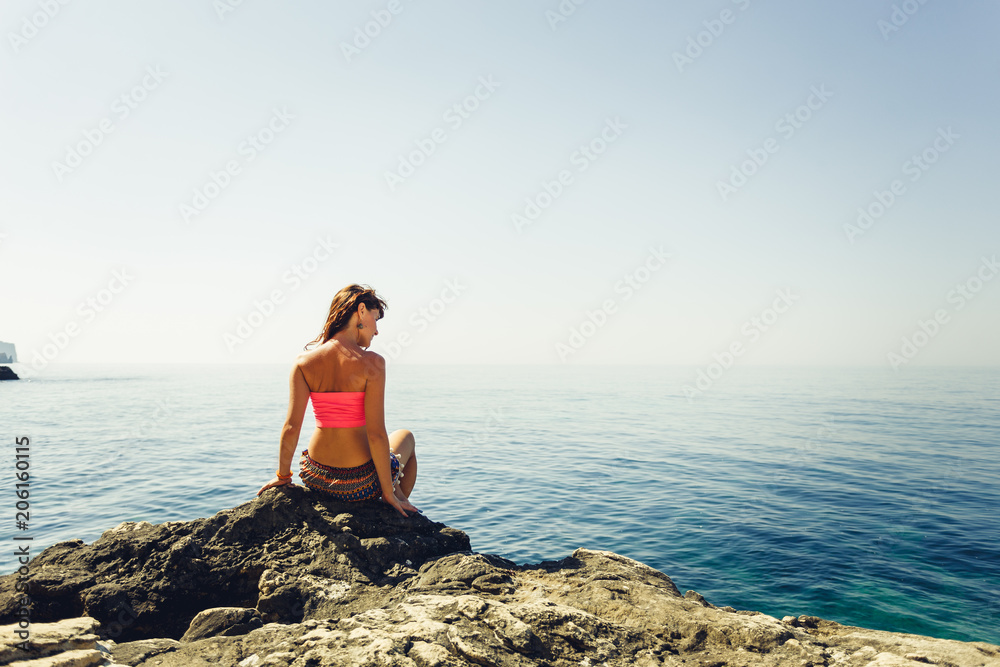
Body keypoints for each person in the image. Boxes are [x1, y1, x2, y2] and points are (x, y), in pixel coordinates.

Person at [257, 284, 420, 518]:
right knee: (406, 437)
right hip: (360, 482)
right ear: (361, 311)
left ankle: (395, 497)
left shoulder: (303, 362)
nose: (376, 332)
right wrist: (387, 491)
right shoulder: (372, 363)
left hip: (316, 477)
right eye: (376, 319)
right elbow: (376, 435)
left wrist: (283, 477)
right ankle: (395, 503)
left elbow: (291, 428)